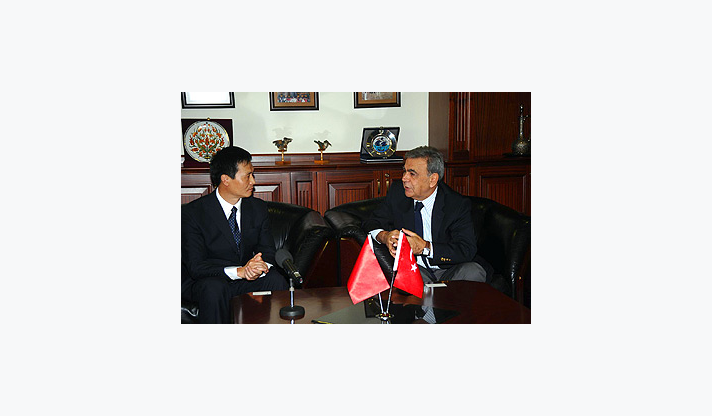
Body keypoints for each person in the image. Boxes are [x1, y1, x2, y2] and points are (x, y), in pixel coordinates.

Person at [182, 146, 288, 323]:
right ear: (225, 179)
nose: (253, 181)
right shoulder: (193, 213)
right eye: (247, 176)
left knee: (276, 280)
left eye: (253, 175)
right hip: (208, 280)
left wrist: (258, 268)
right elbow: (196, 266)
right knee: (214, 288)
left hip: (246, 279)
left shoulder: (257, 208)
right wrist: (239, 272)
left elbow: (268, 251)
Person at [363, 146, 487, 285]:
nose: (404, 178)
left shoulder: (456, 205)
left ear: (433, 179)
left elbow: (466, 249)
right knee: (404, 274)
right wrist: (385, 236)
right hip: (415, 268)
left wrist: (425, 248)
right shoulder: (397, 193)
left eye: (412, 174)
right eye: (404, 171)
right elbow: (371, 222)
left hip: (449, 269)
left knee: (474, 271)